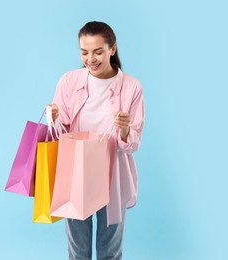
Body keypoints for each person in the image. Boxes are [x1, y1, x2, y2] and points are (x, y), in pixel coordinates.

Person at [49, 21, 145, 260]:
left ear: (113, 49)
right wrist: (55, 118)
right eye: (84, 52)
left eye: (98, 51)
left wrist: (124, 131)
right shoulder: (69, 81)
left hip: (113, 177)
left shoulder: (132, 87)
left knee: (110, 252)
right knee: (78, 252)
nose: (90, 59)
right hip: (75, 174)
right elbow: (61, 133)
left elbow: (133, 143)